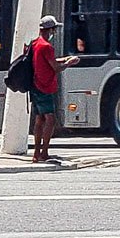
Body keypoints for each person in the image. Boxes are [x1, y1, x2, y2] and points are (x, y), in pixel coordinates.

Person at [30, 15, 79, 162]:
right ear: (50, 30)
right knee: (50, 120)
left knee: (39, 120)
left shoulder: (35, 44)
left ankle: (36, 153)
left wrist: (64, 59)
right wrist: (70, 63)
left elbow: (46, 62)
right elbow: (56, 68)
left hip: (35, 85)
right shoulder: (46, 46)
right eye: (53, 29)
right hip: (45, 87)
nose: (54, 32)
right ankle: (43, 153)